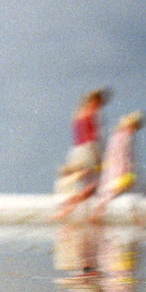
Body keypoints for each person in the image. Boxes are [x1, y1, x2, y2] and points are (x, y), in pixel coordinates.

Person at [53, 88, 110, 220]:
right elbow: (92, 137)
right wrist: (99, 156)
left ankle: (71, 208)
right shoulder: (91, 114)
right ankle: (70, 207)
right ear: (95, 101)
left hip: (77, 150)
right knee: (94, 184)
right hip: (88, 151)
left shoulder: (78, 113)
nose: (100, 106)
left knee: (86, 183)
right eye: (99, 103)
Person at [92, 111, 146, 223]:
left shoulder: (116, 135)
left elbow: (110, 154)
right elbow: (126, 155)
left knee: (110, 195)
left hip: (111, 171)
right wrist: (127, 169)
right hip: (121, 172)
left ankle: (97, 216)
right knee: (134, 194)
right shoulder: (127, 137)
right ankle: (138, 219)